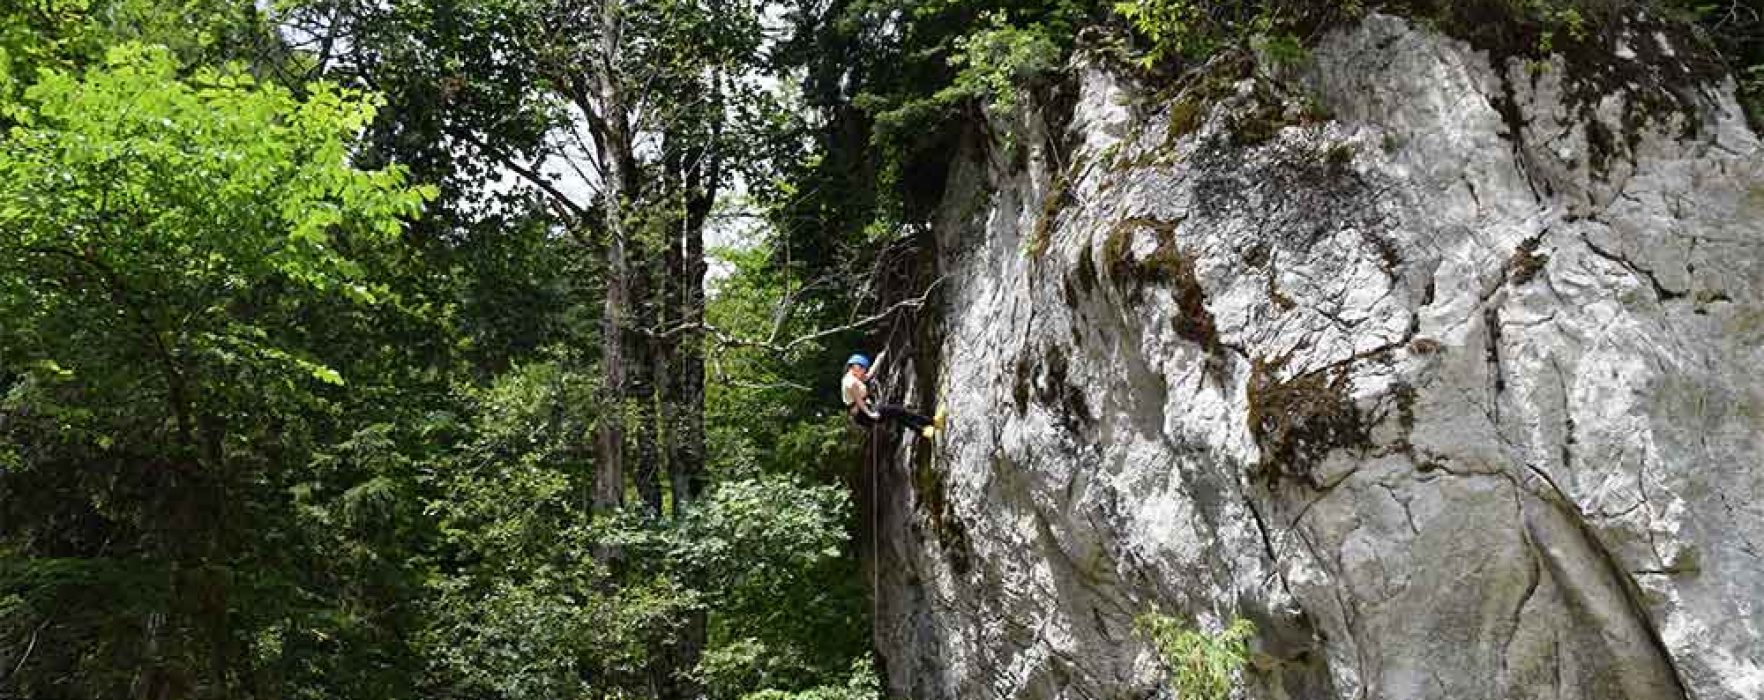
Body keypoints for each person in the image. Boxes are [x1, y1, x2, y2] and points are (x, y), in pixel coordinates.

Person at [841, 354, 940, 439]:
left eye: (864, 369)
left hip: (865, 411)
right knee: (898, 411)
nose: (863, 372)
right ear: (854, 367)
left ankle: (923, 431)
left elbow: (868, 376)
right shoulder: (851, 382)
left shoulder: (853, 375)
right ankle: (932, 422)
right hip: (864, 415)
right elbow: (859, 401)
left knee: (897, 415)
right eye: (862, 369)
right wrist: (871, 414)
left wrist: (878, 360)